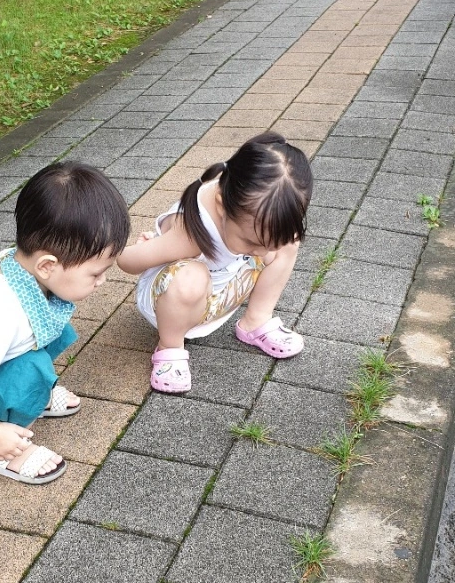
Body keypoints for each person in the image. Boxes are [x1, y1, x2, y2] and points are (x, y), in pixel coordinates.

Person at [0, 162, 129, 484]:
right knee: (33, 371)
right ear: (47, 265)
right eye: (96, 273)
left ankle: (31, 399)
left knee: (54, 329)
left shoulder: (21, 266)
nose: (102, 281)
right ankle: (3, 452)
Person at [118, 132, 312, 393]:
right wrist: (145, 248)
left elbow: (267, 244)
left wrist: (269, 244)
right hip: (172, 304)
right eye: (251, 242)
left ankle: (256, 321)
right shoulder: (188, 235)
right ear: (221, 206)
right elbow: (125, 261)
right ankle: (169, 347)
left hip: (221, 290)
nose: (263, 252)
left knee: (289, 241)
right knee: (191, 276)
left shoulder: (244, 207)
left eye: (267, 244)